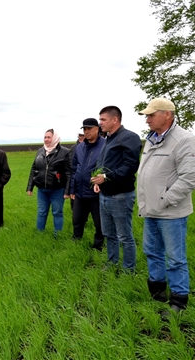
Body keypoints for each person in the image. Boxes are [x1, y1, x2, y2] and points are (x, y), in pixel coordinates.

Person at [137, 98, 195, 314]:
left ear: (167, 114)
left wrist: (165, 199)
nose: (147, 119)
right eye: (146, 115)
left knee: (175, 258)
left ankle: (178, 301)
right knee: (152, 252)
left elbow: (191, 177)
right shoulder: (151, 139)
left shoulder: (184, 140)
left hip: (171, 213)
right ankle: (157, 292)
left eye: (151, 115)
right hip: (151, 211)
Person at [91, 106, 142, 272]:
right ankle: (112, 263)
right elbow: (102, 164)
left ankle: (129, 269)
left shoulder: (130, 137)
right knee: (109, 234)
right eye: (100, 120)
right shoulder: (108, 139)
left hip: (120, 195)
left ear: (115, 119)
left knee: (124, 236)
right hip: (104, 194)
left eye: (103, 120)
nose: (100, 123)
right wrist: (98, 182)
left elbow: (130, 165)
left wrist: (106, 177)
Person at [26, 129, 71, 236]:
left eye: (49, 137)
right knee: (41, 212)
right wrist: (30, 187)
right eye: (45, 137)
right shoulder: (40, 151)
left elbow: (69, 173)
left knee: (57, 213)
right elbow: (34, 169)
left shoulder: (64, 152)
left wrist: (67, 191)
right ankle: (40, 235)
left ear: (54, 138)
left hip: (57, 190)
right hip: (42, 190)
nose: (46, 139)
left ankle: (57, 236)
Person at [70, 118, 105, 250]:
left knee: (99, 222)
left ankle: (98, 245)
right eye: (84, 129)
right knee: (77, 219)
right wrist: (72, 189)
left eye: (89, 128)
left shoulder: (105, 146)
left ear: (97, 128)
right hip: (80, 192)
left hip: (96, 192)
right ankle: (76, 239)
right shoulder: (79, 147)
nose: (86, 131)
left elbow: (107, 168)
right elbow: (74, 169)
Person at [69, 132, 85, 210]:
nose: (81, 137)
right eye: (80, 136)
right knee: (74, 200)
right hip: (74, 175)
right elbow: (71, 162)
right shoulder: (74, 148)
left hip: (85, 178)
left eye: (83, 136)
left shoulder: (89, 147)